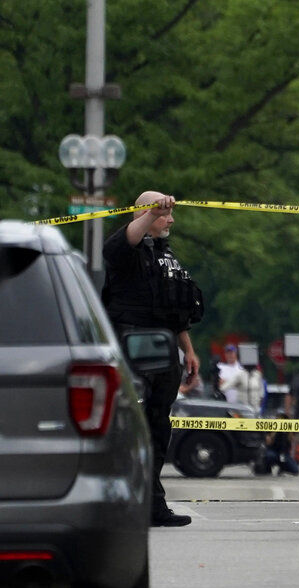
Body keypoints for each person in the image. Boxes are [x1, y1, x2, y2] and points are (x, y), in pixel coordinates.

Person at [101, 191, 202, 527]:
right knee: (131, 429)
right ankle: (122, 503)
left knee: (159, 430)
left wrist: (187, 349)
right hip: (133, 352)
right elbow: (122, 241)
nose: (170, 219)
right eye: (163, 214)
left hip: (163, 351)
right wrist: (149, 212)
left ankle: (153, 505)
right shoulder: (126, 250)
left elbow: (173, 310)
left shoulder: (164, 253)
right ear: (145, 213)